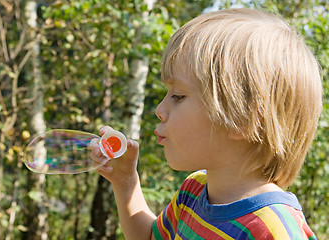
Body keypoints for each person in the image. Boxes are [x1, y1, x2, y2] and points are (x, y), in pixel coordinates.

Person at [90, 8, 322, 240]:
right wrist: (126, 182)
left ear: (241, 120)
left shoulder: (272, 231)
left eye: (178, 96)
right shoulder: (194, 191)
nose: (159, 110)